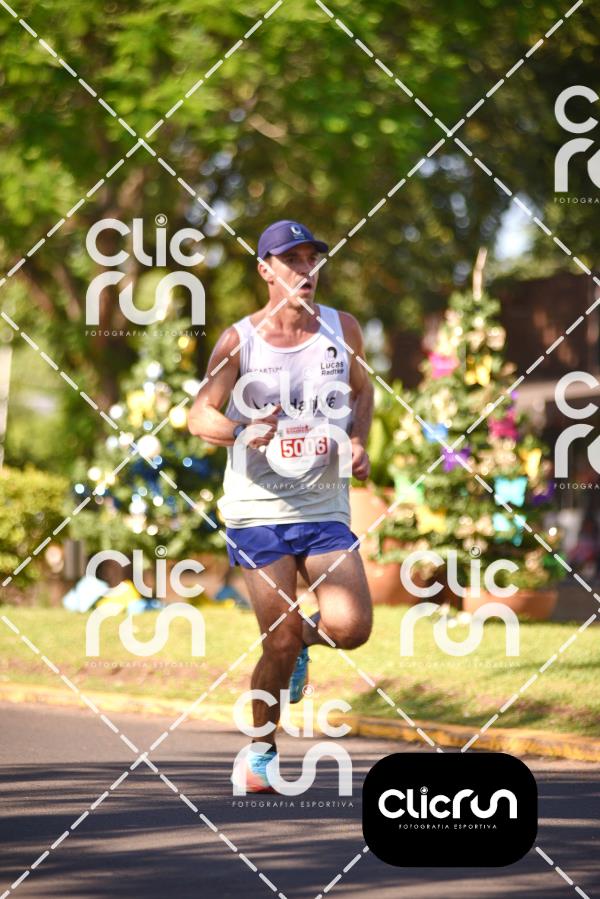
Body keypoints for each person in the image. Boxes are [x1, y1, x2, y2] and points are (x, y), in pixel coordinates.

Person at [188, 219, 374, 793]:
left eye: (312, 258)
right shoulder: (239, 340)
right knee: (280, 636)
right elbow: (199, 415)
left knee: (350, 626)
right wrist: (241, 431)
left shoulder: (343, 329)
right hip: (257, 511)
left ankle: (298, 647)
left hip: (324, 507)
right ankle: (260, 752)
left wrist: (358, 440)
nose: (305, 269)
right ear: (265, 270)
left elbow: (364, 390)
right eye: (292, 260)